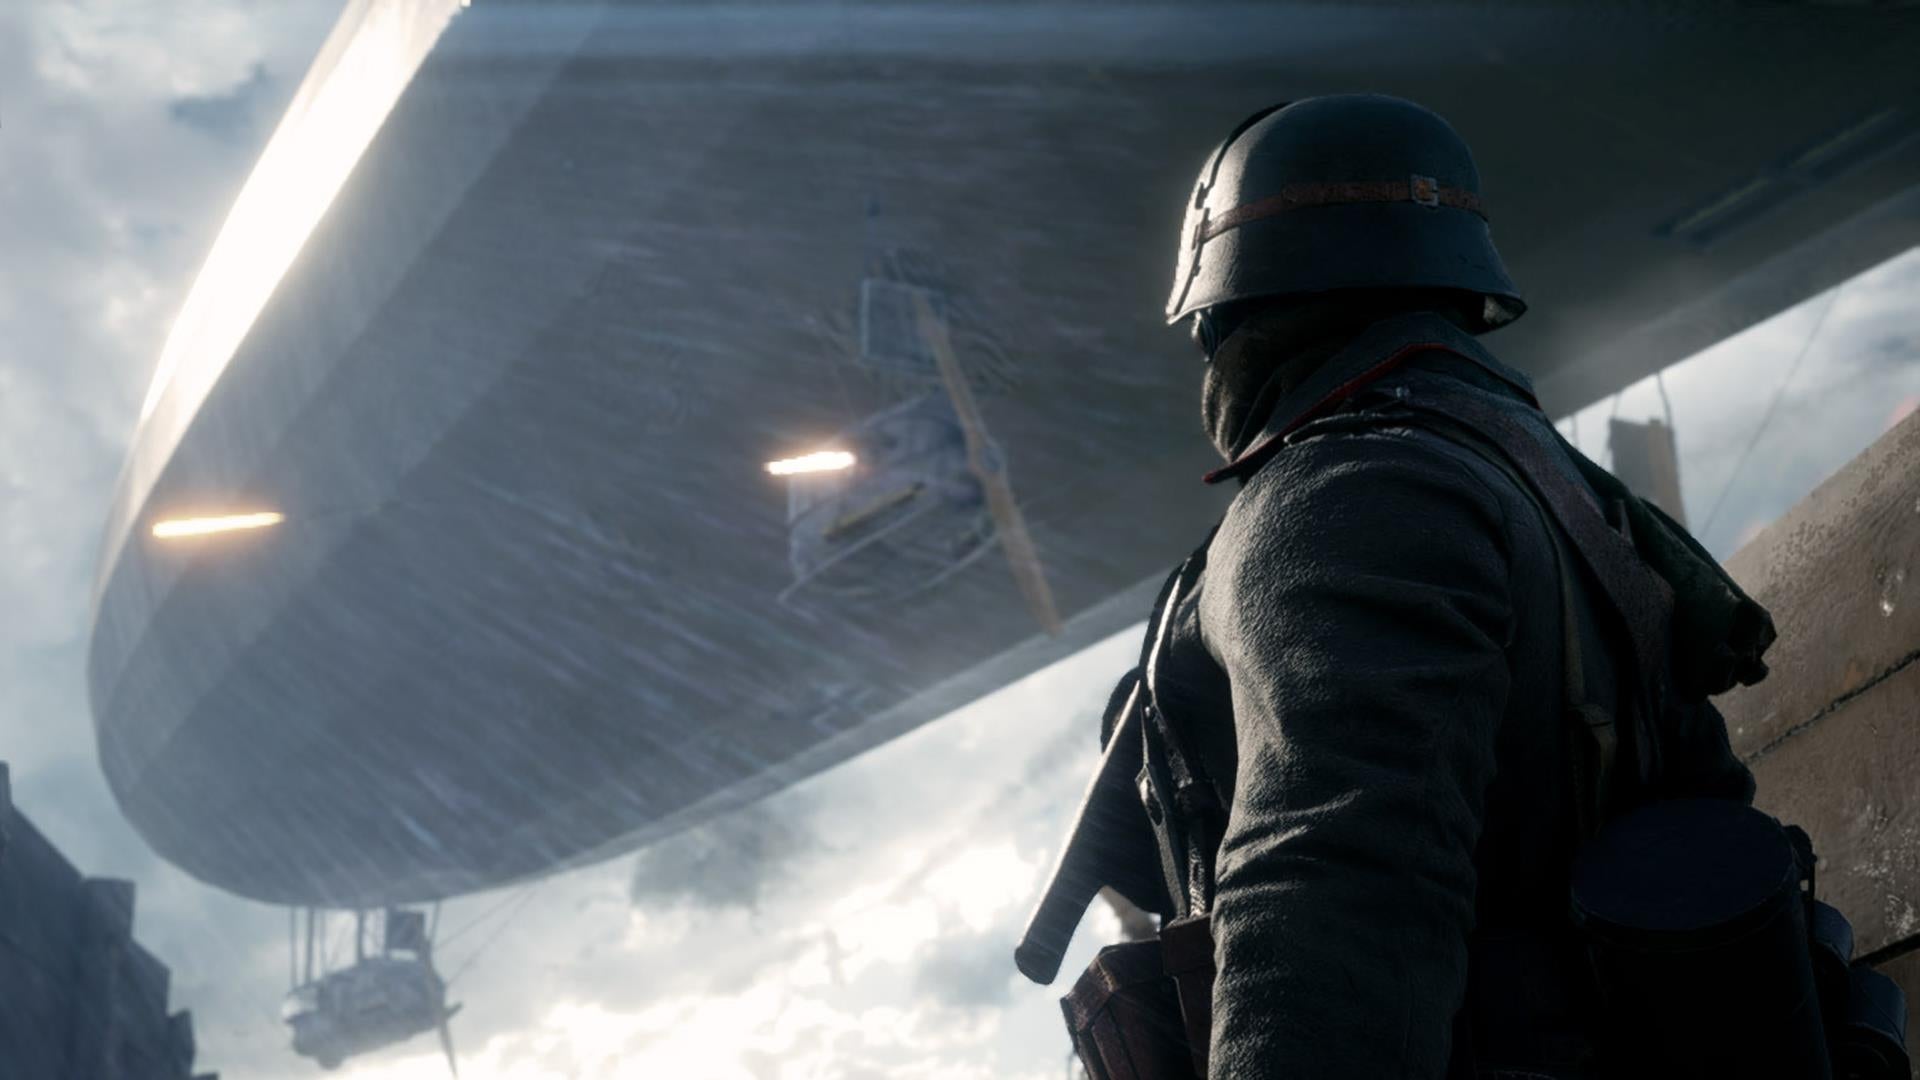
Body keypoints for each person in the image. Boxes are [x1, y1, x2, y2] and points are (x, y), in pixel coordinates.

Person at [1119, 94, 1768, 1078]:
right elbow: (1707, 800)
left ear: (1225, 312)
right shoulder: (1563, 494)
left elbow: (1332, 886)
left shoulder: (1344, 493)